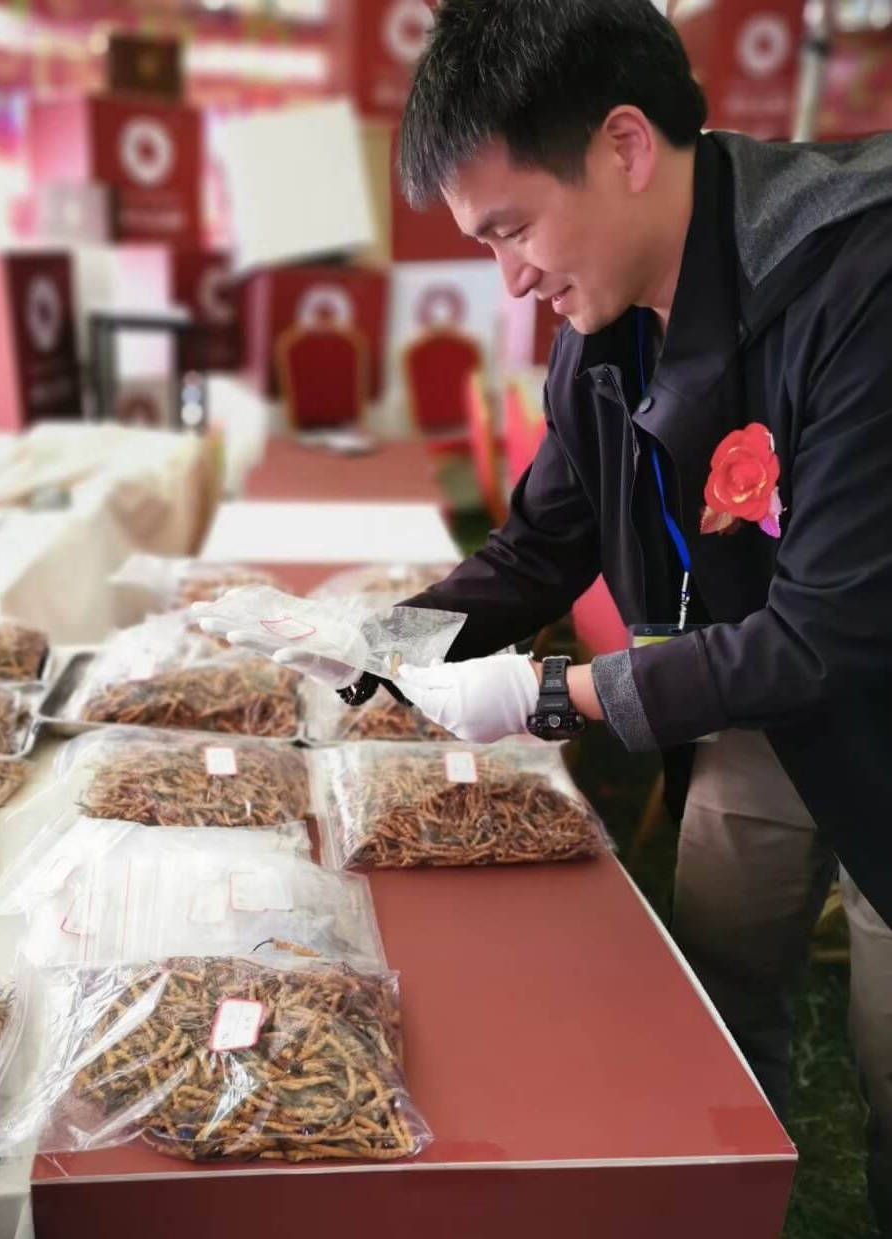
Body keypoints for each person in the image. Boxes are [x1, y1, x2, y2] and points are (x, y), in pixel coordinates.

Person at [202, 2, 892, 1231]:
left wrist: (551, 696)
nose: (510, 278)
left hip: (867, 698)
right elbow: (538, 548)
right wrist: (365, 649)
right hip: (751, 706)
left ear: (624, 146)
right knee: (718, 987)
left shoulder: (859, 285)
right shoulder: (605, 325)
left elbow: (826, 635)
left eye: (513, 228)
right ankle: (725, 1189)